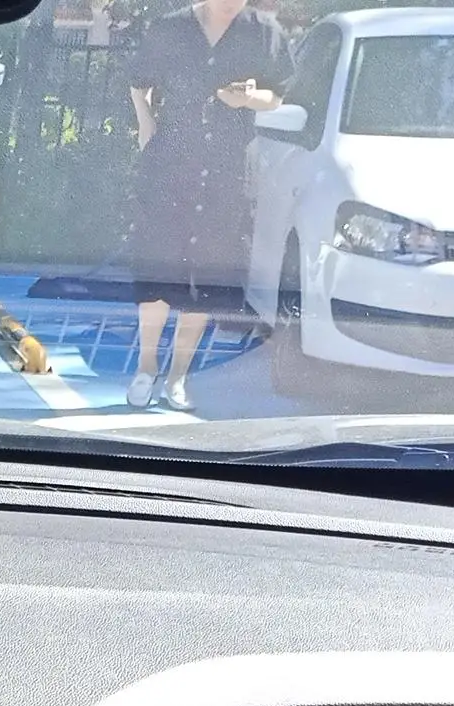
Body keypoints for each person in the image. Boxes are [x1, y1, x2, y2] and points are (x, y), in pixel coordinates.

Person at [124, 0, 284, 411]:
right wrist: (146, 123)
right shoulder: (170, 28)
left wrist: (248, 99)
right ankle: (145, 367)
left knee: (204, 277)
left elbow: (276, 96)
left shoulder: (263, 31)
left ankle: (177, 377)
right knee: (159, 268)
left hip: (226, 172)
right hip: (170, 167)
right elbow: (138, 82)